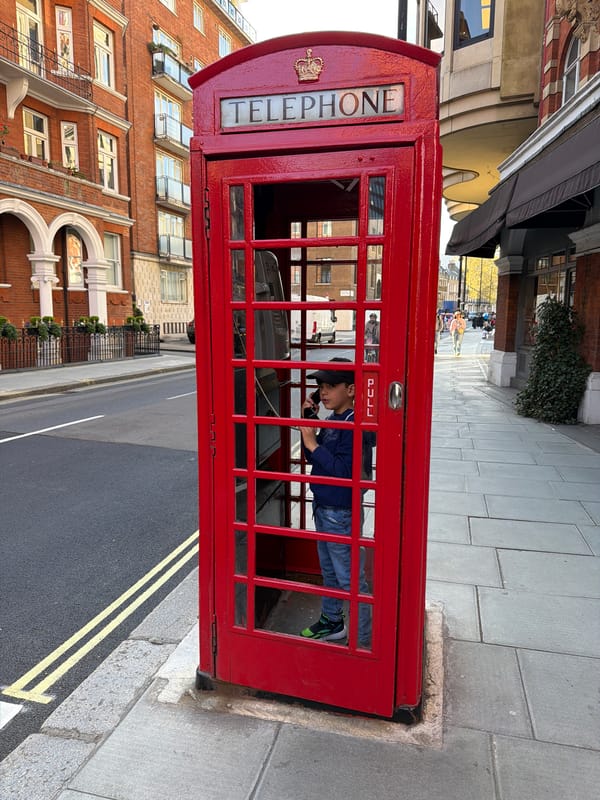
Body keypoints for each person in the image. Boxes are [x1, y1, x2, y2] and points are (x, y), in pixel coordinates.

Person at [299, 357, 372, 646]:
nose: (324, 392)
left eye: (330, 386)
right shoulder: (333, 420)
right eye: (321, 388)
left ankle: (364, 639)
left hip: (340, 513)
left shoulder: (354, 425)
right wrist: (310, 426)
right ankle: (332, 622)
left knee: (351, 580)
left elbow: (344, 471)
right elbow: (316, 460)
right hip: (324, 507)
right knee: (329, 573)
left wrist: (313, 443)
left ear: (351, 390)